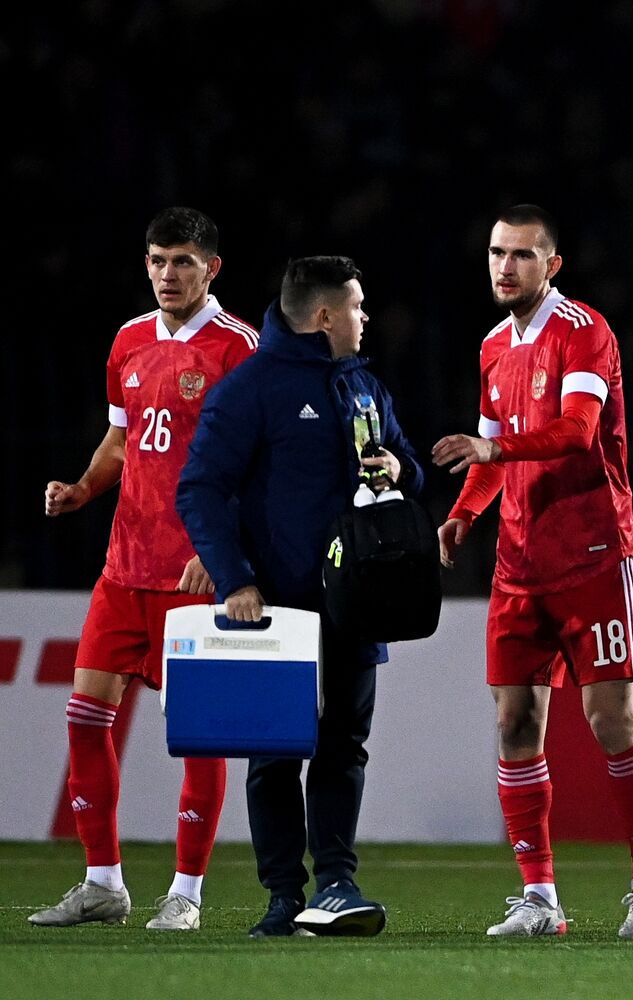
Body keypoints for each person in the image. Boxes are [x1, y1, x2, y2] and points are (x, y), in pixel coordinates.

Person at [433, 204, 633, 939]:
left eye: (523, 255)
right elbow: (490, 450)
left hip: (595, 556)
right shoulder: (492, 347)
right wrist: (466, 513)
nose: (506, 267)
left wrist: (491, 458)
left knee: (610, 719)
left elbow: (574, 433)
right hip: (518, 567)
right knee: (514, 723)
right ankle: (540, 899)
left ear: (553, 264)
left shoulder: (584, 332)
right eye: (497, 253)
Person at [176, 256, 422, 938]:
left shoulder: (365, 388)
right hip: (277, 607)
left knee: (344, 745)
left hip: (356, 602)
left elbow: (414, 470)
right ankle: (283, 897)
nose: (365, 317)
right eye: (357, 307)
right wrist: (236, 580)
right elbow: (198, 488)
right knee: (276, 753)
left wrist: (401, 467)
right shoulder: (250, 390)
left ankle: (336, 884)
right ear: (323, 317)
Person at [31, 208, 256, 932]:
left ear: (212, 268)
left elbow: (263, 464)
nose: (167, 274)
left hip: (193, 578)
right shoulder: (129, 339)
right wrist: (82, 488)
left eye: (183, 261)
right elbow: (121, 440)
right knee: (84, 719)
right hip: (123, 571)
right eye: (158, 261)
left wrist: (217, 549)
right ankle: (103, 883)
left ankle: (186, 893)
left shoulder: (238, 349)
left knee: (198, 735)